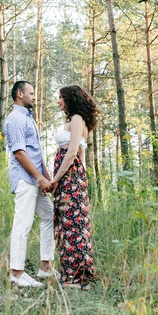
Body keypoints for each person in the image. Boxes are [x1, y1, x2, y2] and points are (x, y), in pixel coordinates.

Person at [4, 81, 56, 287]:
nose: (35, 97)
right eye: (31, 93)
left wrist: (46, 175)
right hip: (25, 180)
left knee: (49, 216)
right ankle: (16, 273)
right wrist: (38, 177)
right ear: (20, 94)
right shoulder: (15, 118)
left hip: (35, 178)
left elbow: (35, 151)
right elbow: (19, 153)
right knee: (22, 223)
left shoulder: (28, 118)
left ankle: (45, 268)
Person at [48, 85, 98, 291]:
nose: (58, 101)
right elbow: (81, 154)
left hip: (69, 177)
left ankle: (76, 278)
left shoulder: (77, 119)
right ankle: (74, 275)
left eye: (61, 97)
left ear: (70, 98)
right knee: (69, 225)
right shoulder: (74, 120)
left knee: (72, 226)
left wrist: (56, 179)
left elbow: (72, 153)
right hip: (72, 177)